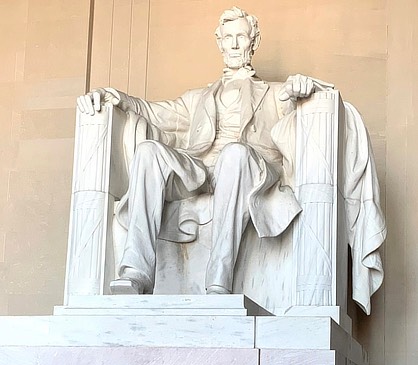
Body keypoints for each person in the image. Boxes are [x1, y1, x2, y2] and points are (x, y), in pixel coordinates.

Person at [77, 7, 328, 296]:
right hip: (199, 169)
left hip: (244, 168)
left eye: (242, 37)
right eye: (228, 38)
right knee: (148, 151)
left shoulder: (275, 93)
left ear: (253, 42)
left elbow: (300, 106)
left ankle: (218, 279)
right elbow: (156, 113)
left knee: (235, 153)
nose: (234, 44)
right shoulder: (197, 98)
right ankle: (136, 272)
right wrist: (117, 98)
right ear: (219, 42)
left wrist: (301, 89)